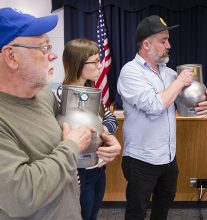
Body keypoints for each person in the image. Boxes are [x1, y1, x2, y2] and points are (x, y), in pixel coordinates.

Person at [0, 8, 121, 220]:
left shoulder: (44, 96)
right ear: (11, 56)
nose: (53, 54)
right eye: (43, 47)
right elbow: (21, 196)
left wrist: (102, 143)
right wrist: (72, 147)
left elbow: (72, 132)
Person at [117, 15, 207, 220]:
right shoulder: (130, 72)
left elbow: (191, 101)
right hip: (141, 158)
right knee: (137, 211)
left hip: (168, 157)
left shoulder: (169, 73)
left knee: (163, 206)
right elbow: (155, 106)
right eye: (163, 41)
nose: (169, 45)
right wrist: (179, 82)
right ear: (146, 44)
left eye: (168, 40)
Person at [55, 39, 118, 220]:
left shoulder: (92, 93)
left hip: (98, 167)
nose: (101, 65)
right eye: (96, 61)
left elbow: (112, 119)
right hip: (78, 171)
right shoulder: (61, 97)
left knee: (93, 213)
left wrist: (100, 132)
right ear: (78, 63)